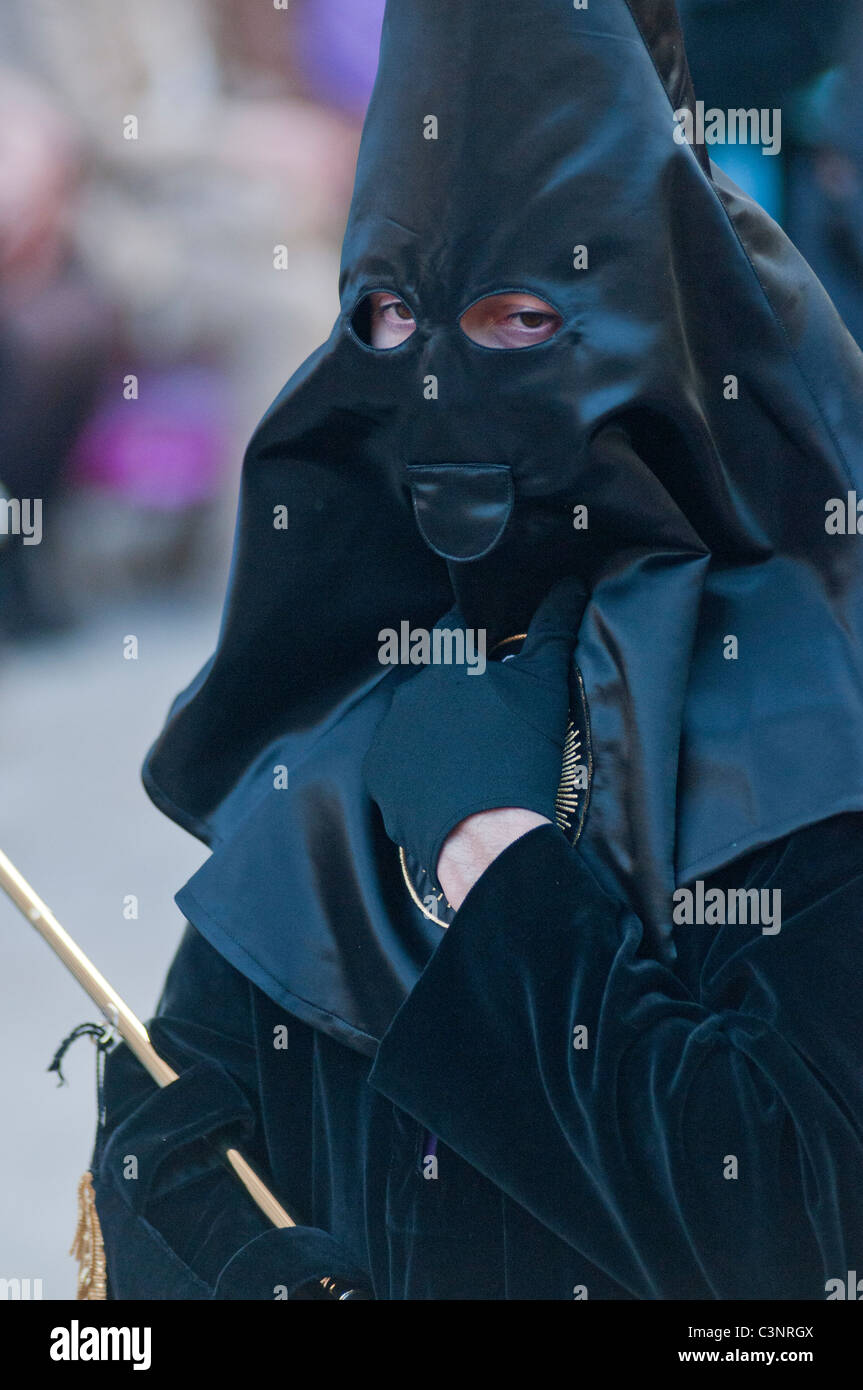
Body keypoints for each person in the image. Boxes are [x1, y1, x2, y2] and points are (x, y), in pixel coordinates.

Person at [90, 0, 863, 1300]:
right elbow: (170, 1123)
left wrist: (502, 867)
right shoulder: (345, 708)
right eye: (392, 317)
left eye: (515, 316)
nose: (435, 384)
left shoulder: (808, 718)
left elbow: (788, 1226)